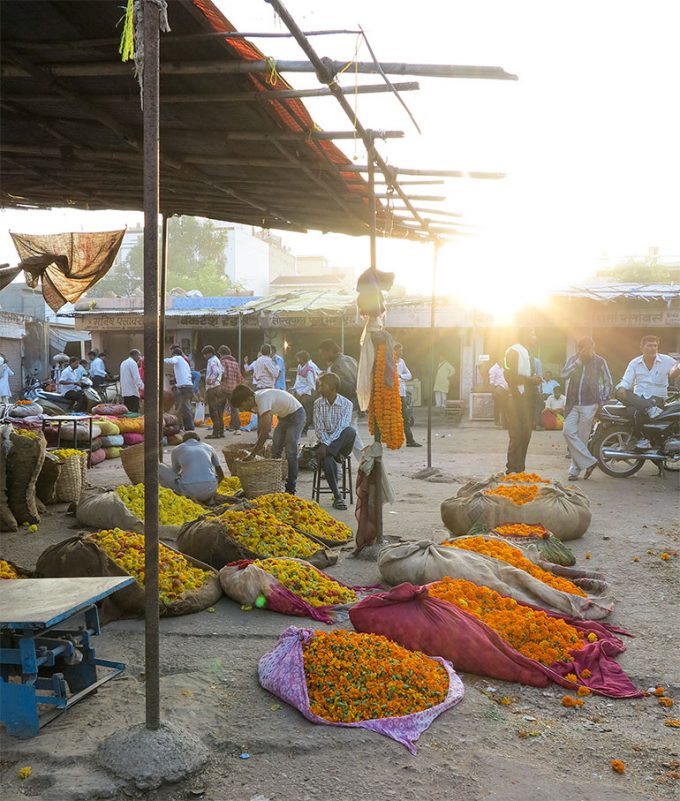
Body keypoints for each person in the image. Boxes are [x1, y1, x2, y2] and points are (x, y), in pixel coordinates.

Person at [231, 384, 306, 495]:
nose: (242, 409)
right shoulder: (255, 403)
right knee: (275, 449)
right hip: (283, 418)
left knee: (290, 451)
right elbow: (261, 427)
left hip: (296, 415)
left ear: (249, 399)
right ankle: (273, 483)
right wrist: (256, 448)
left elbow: (265, 432)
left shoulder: (262, 399)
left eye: (242, 405)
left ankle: (291, 486)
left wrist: (253, 454)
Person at [561, 336, 613, 480]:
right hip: (572, 404)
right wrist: (578, 362)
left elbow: (608, 382)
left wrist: (601, 400)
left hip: (590, 404)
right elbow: (563, 374)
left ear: (593, 348)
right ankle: (590, 462)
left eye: (590, 348)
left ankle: (574, 471)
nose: (587, 351)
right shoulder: (573, 360)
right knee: (567, 432)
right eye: (584, 348)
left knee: (582, 438)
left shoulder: (600, 361)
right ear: (579, 349)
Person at [616, 334, 680, 449]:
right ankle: (649, 409)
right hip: (639, 399)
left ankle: (642, 438)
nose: (653, 348)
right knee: (619, 391)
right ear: (642, 348)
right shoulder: (634, 363)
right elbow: (626, 381)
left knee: (634, 411)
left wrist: (678, 367)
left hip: (657, 399)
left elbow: (674, 370)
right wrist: (622, 389)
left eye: (655, 346)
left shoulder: (666, 360)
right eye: (649, 346)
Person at [313, 372, 356, 510]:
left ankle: (329, 452)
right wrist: (326, 444)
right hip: (326, 444)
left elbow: (342, 427)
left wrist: (327, 446)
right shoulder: (318, 404)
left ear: (332, 387)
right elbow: (319, 428)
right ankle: (338, 497)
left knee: (350, 431)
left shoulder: (347, 404)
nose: (320, 389)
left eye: (322, 386)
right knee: (328, 459)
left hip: (342, 444)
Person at [504, 326, 543, 473]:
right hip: (517, 399)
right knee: (517, 435)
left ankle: (520, 469)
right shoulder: (513, 351)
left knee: (525, 435)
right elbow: (511, 377)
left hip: (528, 399)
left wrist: (534, 381)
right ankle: (512, 469)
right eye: (532, 333)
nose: (535, 337)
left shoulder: (528, 353)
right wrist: (532, 380)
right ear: (524, 335)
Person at [318, 339, 364, 461]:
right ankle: (362, 463)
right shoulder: (350, 359)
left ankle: (366, 464)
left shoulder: (337, 366)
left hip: (346, 404)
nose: (322, 357)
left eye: (323, 353)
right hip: (354, 402)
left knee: (350, 435)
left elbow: (347, 386)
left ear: (330, 351)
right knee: (349, 433)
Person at [158, 431, 224, 503]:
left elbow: (175, 472)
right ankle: (208, 498)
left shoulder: (177, 449)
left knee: (159, 466)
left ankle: (177, 496)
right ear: (198, 440)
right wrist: (210, 487)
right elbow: (221, 475)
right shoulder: (209, 447)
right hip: (211, 489)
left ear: (183, 441)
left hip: (189, 491)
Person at [394, 343, 421, 447]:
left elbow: (409, 375)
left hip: (401, 394)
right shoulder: (389, 362)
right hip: (392, 395)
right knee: (392, 418)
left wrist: (400, 376)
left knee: (405, 418)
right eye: (400, 350)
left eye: (402, 350)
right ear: (395, 351)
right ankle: (392, 441)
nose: (402, 352)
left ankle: (410, 440)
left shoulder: (402, 362)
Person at [164, 345, 195, 431]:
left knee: (185, 408)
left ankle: (189, 427)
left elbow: (171, 361)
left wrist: (160, 359)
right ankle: (187, 426)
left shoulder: (178, 358)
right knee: (185, 407)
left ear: (175, 354)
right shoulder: (184, 361)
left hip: (184, 387)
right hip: (187, 386)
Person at [292, 350, 319, 435]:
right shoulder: (300, 366)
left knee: (306, 412)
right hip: (299, 392)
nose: (297, 360)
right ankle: (300, 429)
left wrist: (301, 393)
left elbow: (311, 385)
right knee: (299, 412)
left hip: (307, 394)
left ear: (302, 359)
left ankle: (304, 430)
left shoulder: (310, 368)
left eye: (298, 358)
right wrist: (294, 388)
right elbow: (298, 379)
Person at [218, 345, 243, 434]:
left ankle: (220, 428)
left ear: (221, 353)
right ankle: (236, 427)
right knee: (234, 408)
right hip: (233, 388)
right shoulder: (235, 363)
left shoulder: (223, 362)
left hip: (224, 388)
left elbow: (223, 375)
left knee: (220, 408)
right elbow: (239, 377)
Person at [202, 345, 225, 439]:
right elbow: (222, 371)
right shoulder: (217, 360)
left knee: (213, 411)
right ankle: (221, 431)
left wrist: (211, 379)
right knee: (219, 411)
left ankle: (215, 433)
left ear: (209, 353)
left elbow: (216, 372)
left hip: (212, 388)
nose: (204, 356)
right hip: (219, 387)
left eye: (205, 354)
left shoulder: (211, 361)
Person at [488, 358, 509, 428]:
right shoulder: (493, 369)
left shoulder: (503, 368)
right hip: (499, 389)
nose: (503, 362)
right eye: (502, 360)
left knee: (502, 405)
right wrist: (493, 392)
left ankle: (502, 422)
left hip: (505, 389)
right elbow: (491, 382)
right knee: (500, 405)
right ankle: (498, 421)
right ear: (498, 360)